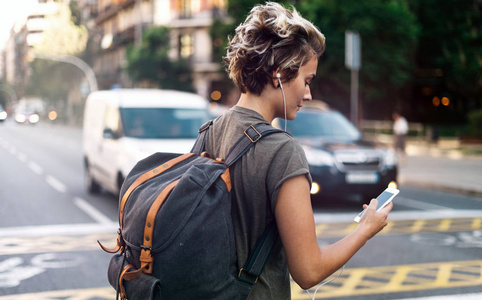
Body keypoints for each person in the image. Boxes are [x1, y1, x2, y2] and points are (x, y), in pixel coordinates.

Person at [203, 2, 392, 299]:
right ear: (279, 74)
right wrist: (365, 230)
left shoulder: (208, 131)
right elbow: (308, 271)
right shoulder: (282, 151)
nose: (308, 94)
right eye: (307, 81)